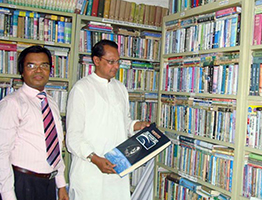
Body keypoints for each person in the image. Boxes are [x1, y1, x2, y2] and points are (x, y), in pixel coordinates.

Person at [66, 40, 150, 200]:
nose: (116, 66)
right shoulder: (81, 89)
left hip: (117, 167)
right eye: (111, 62)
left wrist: (138, 125)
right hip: (90, 171)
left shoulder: (120, 88)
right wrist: (96, 159)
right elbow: (73, 137)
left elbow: (124, 123)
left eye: (118, 61)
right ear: (96, 61)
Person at [0, 46, 69, 200]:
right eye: (31, 66)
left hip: (49, 183)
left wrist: (61, 185)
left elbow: (56, 146)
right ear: (22, 71)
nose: (38, 71)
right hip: (22, 183)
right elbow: (1, 153)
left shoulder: (50, 102)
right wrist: (8, 196)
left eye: (44, 66)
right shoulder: (12, 103)